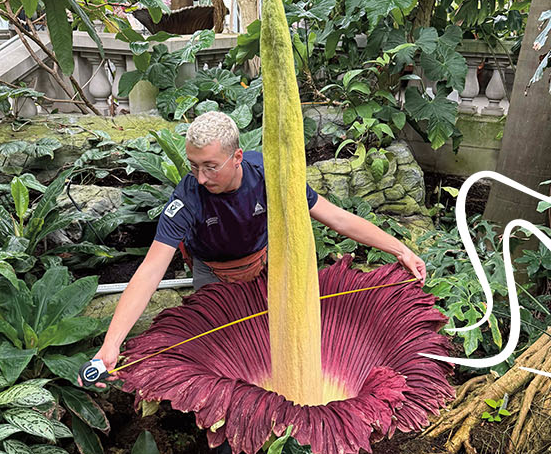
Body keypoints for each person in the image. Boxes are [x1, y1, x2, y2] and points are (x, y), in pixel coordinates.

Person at [82, 111, 427, 387]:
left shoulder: (270, 175)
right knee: (221, 347)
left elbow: (336, 218)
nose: (200, 177)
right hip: (213, 274)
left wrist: (401, 250)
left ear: (237, 157)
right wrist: (111, 345)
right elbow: (150, 271)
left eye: (210, 166)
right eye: (193, 166)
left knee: (272, 333)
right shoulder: (188, 198)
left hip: (264, 265)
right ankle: (229, 429)